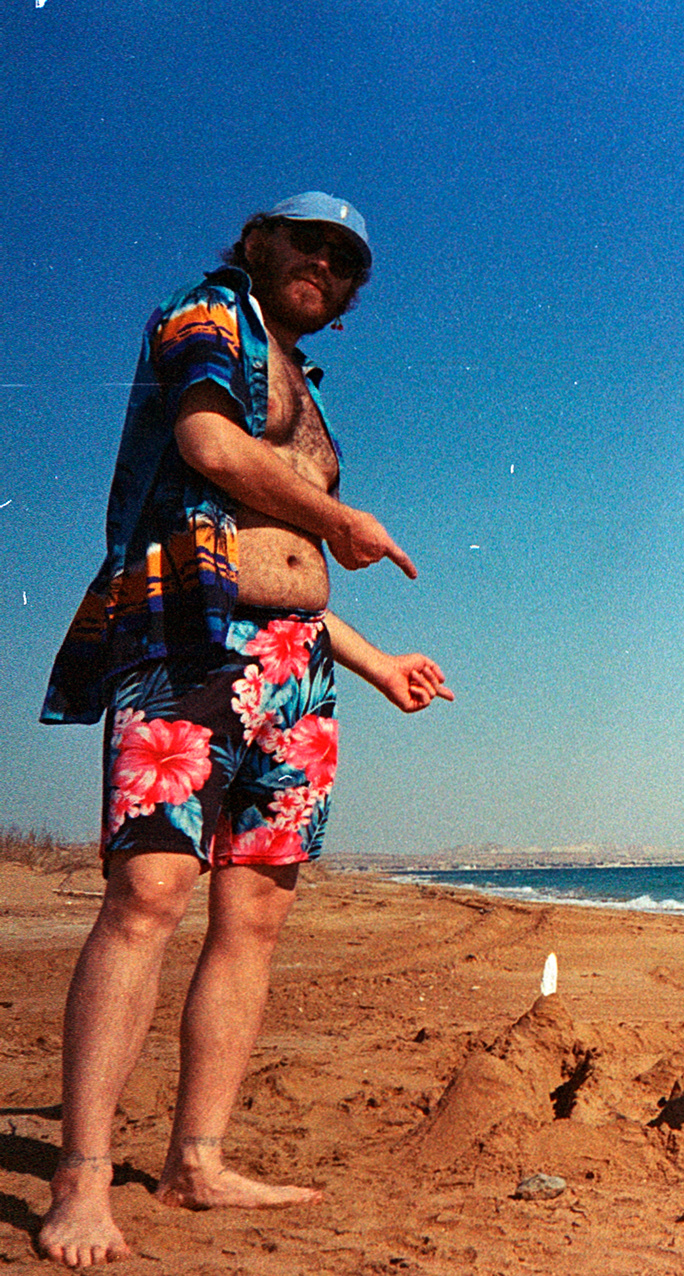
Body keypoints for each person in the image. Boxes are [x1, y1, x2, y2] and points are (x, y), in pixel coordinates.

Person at [35, 192, 454, 1268]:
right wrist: (343, 519)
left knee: (255, 915)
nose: (326, 263)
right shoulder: (208, 313)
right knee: (148, 895)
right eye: (309, 242)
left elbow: (287, 564)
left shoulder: (306, 385)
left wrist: (375, 661)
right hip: (189, 640)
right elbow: (209, 445)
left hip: (296, 667)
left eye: (347, 260)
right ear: (260, 242)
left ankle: (198, 1160)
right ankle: (82, 1178)